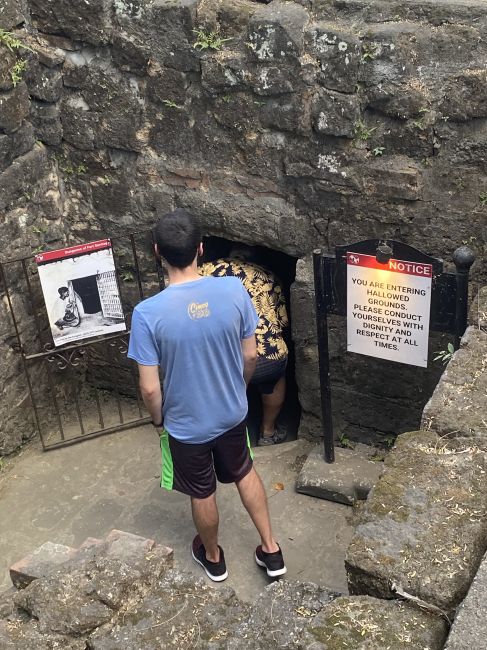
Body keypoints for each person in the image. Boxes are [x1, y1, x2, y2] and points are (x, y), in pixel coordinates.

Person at [127, 208, 286, 582]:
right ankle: (271, 550)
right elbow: (250, 354)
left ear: (156, 252)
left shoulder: (147, 314)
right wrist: (239, 390)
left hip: (186, 424)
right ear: (201, 248)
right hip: (231, 412)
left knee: (202, 491)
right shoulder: (233, 290)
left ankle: (213, 557)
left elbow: (150, 387)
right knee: (246, 472)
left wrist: (159, 419)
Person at [200, 254, 289, 446]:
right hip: (266, 355)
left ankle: (222, 436)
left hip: (220, 357)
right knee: (274, 380)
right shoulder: (267, 275)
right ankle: (268, 431)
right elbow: (281, 321)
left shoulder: (203, 272)